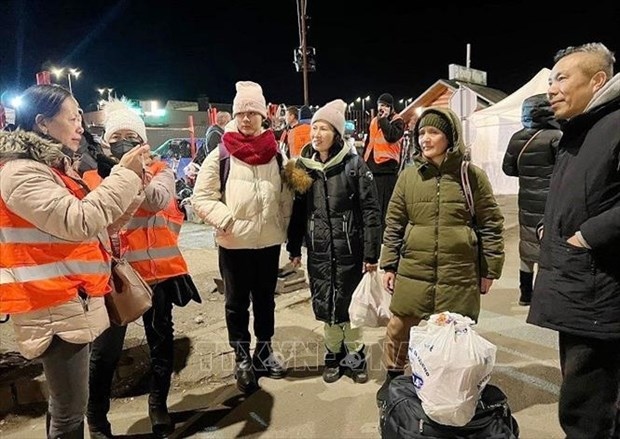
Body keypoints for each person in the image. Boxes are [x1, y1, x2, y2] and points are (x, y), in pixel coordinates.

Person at [0, 84, 148, 439]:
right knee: (69, 414)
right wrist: (125, 175)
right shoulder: (21, 173)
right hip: (52, 303)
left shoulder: (53, 170)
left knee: (65, 407)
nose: (80, 124)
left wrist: (133, 183)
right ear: (43, 123)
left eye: (80, 115)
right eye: (72, 116)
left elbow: (99, 227)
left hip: (68, 298)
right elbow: (78, 221)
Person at [85, 99, 201, 439]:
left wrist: (129, 175)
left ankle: (158, 406)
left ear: (143, 141)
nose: (124, 141)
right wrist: (121, 174)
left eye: (131, 136)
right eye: (117, 135)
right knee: (104, 352)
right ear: (107, 140)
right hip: (115, 276)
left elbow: (157, 201)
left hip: (158, 274)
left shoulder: (162, 170)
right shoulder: (93, 174)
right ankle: (97, 418)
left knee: (161, 344)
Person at [375, 106, 505, 407]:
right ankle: (393, 377)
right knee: (398, 326)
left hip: (457, 272)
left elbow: (491, 225)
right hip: (414, 269)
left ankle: (445, 387)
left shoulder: (471, 176)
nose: (425, 139)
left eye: (433, 132)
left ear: (450, 137)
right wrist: (389, 263)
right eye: (421, 132)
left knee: (452, 336)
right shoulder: (408, 177)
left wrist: (489, 270)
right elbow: (393, 223)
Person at [526, 42, 620, 439]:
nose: (551, 88)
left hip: (598, 288)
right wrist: (553, 228)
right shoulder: (583, 127)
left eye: (562, 78)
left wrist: (588, 236)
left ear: (597, 80)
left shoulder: (613, 124)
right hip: (581, 283)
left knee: (586, 410)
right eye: (550, 80)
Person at [190, 81, 293, 394]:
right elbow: (201, 197)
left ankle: (264, 350)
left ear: (263, 116)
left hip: (268, 242)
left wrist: (286, 229)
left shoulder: (277, 154)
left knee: (265, 301)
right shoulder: (221, 154)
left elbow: (287, 196)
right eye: (241, 113)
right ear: (234, 115)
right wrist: (227, 221)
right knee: (236, 304)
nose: (247, 118)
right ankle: (242, 357)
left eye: (253, 112)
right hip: (234, 243)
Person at [285, 99, 382, 384]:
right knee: (326, 305)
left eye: (323, 129)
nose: (316, 134)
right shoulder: (302, 167)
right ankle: (332, 356)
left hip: (350, 249)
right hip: (318, 250)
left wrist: (371, 253)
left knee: (349, 306)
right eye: (314, 128)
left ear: (336, 134)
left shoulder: (354, 166)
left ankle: (355, 356)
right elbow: (297, 212)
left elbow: (370, 211)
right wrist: (294, 248)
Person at [502, 93, 561, 306]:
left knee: (527, 248)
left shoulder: (517, 137)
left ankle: (525, 294)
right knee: (549, 249)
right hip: (552, 201)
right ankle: (546, 299)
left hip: (526, 200)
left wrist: (528, 175)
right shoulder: (557, 136)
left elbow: (508, 169)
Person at [362, 93, 405, 237]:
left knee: (385, 207)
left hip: (387, 170)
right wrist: (364, 162)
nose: (382, 108)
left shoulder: (397, 121)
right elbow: (369, 142)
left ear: (391, 107)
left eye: (386, 105)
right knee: (373, 206)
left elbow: (391, 136)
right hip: (372, 169)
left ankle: (384, 236)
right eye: (381, 105)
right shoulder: (374, 121)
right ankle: (374, 234)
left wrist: (384, 120)